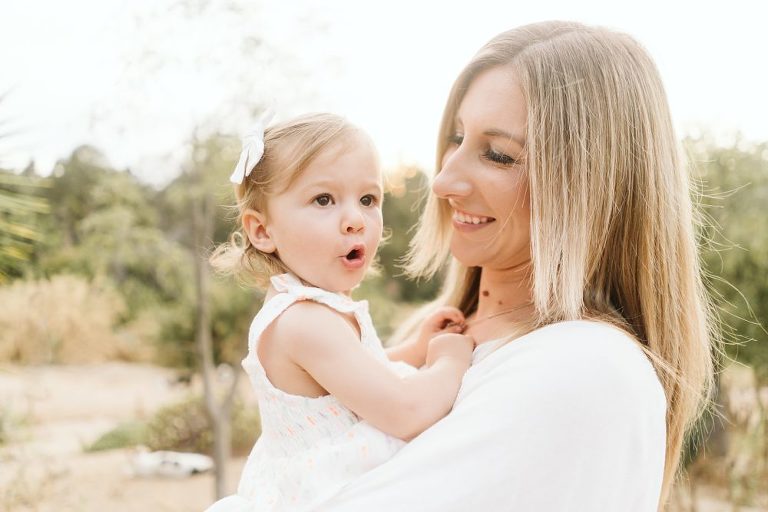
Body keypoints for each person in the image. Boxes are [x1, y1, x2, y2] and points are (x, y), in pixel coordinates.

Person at [313, 21, 716, 512]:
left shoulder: (584, 368)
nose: (443, 181)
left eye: (499, 155)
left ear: (589, 188)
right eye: (456, 138)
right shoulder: (437, 337)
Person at [204, 112, 476, 511]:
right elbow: (404, 410)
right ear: (262, 231)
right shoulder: (304, 321)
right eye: (323, 200)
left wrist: (415, 350)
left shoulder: (313, 310)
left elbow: (344, 383)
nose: (355, 220)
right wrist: (449, 363)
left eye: (368, 199)